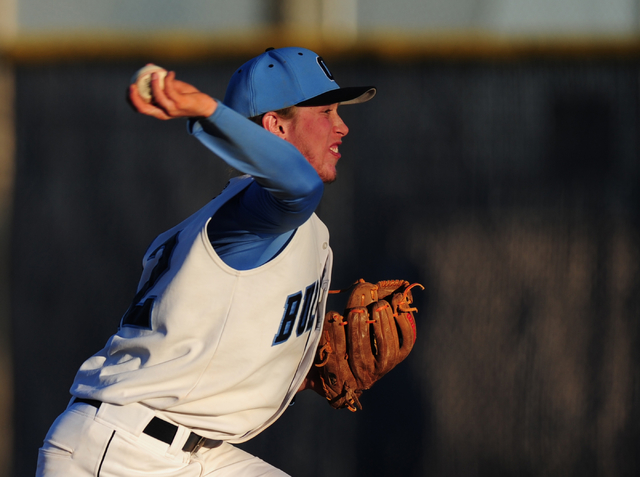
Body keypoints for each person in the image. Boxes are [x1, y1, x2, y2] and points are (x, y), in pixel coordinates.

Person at [36, 47, 376, 476]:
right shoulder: (261, 216)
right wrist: (204, 109)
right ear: (275, 126)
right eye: (326, 111)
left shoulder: (265, 222)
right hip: (124, 453)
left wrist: (296, 368)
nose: (341, 126)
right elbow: (300, 184)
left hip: (192, 451)